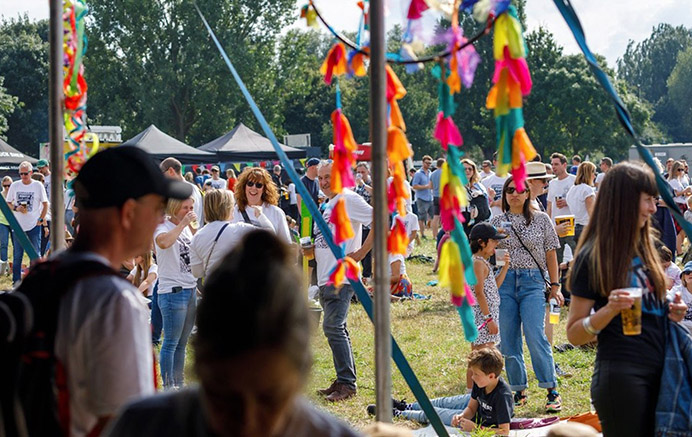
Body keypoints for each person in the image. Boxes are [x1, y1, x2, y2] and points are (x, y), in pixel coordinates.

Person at [105, 231, 361, 437]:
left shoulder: (145, 423)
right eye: (228, 396)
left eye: (265, 396)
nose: (246, 416)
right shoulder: (143, 424)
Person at [52, 146, 191, 436]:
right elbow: (133, 420)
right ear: (129, 213)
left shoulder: (46, 274)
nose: (158, 221)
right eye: (156, 210)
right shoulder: (116, 301)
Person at [566, 162, 688, 437]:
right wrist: (609, 310)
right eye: (648, 200)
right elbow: (574, 333)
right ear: (625, 202)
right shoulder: (593, 256)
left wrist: (672, 311)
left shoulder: (647, 249)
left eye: (654, 200)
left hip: (664, 373)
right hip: (623, 377)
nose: (653, 208)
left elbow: (651, 312)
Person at [489, 177, 563, 413]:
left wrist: (555, 285)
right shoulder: (498, 220)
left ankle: (551, 389)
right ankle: (518, 389)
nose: (514, 194)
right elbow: (493, 253)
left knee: (535, 335)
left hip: (532, 282)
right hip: (506, 281)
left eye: (520, 191)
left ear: (528, 194)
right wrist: (497, 244)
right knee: (509, 339)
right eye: (510, 190)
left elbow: (551, 253)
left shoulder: (541, 219)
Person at [314, 161, 373, 402]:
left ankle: (348, 384)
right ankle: (342, 379)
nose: (324, 182)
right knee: (336, 328)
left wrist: (359, 254)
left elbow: (379, 220)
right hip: (325, 277)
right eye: (321, 178)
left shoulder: (348, 198)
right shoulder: (329, 203)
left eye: (328, 176)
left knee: (333, 326)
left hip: (341, 277)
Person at [373, 348, 512, 435]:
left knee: (435, 414)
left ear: (491, 376)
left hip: (479, 421)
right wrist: (462, 415)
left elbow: (504, 431)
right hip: (474, 414)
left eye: (476, 374)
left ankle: (399, 413)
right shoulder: (482, 382)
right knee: (443, 402)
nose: (472, 377)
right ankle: (406, 405)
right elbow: (471, 407)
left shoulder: (502, 396)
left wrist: (475, 428)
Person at [154, 196, 198, 389]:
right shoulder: (162, 227)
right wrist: (183, 225)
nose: (188, 211)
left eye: (191, 207)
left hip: (189, 288)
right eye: (184, 208)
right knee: (171, 341)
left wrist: (192, 228)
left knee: (182, 341)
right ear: (173, 208)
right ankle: (168, 385)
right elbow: (163, 243)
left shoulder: (187, 227)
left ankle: (178, 383)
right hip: (173, 291)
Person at [190, 189, 274, 279]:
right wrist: (260, 215)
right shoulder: (238, 230)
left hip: (212, 288)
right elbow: (270, 236)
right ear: (227, 207)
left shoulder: (197, 237)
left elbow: (197, 273)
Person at [468, 223, 510, 390]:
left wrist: (505, 267)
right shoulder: (478, 263)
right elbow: (479, 293)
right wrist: (488, 319)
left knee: (478, 357)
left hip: (486, 315)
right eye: (493, 241)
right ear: (481, 242)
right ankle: (473, 394)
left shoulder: (483, 263)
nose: (496, 245)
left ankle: (473, 394)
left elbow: (494, 288)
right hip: (483, 317)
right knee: (481, 358)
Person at [6, 161, 48, 284]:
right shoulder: (15, 185)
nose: (23, 176)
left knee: (35, 255)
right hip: (18, 225)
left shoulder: (37, 186)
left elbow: (45, 204)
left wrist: (41, 219)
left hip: (33, 225)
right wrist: (16, 208)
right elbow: (8, 203)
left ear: (31, 173)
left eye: (25, 173)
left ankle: (35, 282)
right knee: (17, 255)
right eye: (21, 174)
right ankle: (16, 282)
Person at [232, 167, 291, 244]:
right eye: (250, 184)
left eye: (259, 185)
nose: (253, 188)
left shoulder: (276, 212)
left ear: (264, 189)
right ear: (244, 186)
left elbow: (286, 244)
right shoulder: (234, 212)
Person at [547, 153, 577, 265]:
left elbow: (579, 201)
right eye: (552, 164)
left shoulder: (574, 180)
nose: (553, 167)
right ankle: (557, 281)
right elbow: (549, 204)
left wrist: (567, 202)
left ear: (564, 165)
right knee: (556, 259)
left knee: (576, 255)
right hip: (556, 225)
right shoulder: (552, 183)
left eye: (556, 164)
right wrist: (549, 223)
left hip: (571, 224)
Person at [161, 157, 205, 227]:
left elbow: (189, 219)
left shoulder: (184, 191)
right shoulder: (193, 188)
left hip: (187, 234)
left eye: (162, 174)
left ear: (171, 171)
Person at [565, 161, 596, 243]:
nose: (595, 176)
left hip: (575, 227)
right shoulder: (587, 190)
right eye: (593, 172)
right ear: (589, 173)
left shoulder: (573, 189)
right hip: (586, 227)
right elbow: (591, 212)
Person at [461, 159, 491, 235]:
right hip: (461, 220)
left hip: (478, 221)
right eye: (464, 169)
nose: (467, 171)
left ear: (474, 171)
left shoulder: (479, 186)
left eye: (470, 169)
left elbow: (486, 204)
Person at [411, 155, 434, 238]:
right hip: (421, 198)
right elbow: (414, 186)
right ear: (423, 163)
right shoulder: (418, 174)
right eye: (427, 163)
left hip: (430, 197)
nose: (428, 165)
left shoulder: (430, 173)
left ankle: (429, 229)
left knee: (433, 216)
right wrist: (426, 186)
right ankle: (422, 233)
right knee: (422, 217)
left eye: (430, 163)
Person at [481, 152, 508, 218]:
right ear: (494, 162)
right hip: (491, 220)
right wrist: (495, 203)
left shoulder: (513, 180)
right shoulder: (485, 181)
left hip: (509, 220)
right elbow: (482, 205)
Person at [670, 261, 692, 331]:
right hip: (680, 328)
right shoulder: (677, 290)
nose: (690, 274)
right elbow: (666, 301)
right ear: (683, 277)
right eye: (687, 272)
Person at [0, 176, 12, 275]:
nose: (7, 188)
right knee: (3, 244)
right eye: (5, 186)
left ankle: (13, 265)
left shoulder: (15, 195)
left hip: (14, 223)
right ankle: (3, 265)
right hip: (2, 222)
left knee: (16, 244)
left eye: (9, 185)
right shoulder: (1, 195)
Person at [430, 158, 444, 240]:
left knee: (436, 217)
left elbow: (430, 186)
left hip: (435, 196)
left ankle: (434, 235)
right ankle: (443, 232)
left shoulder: (432, 174)